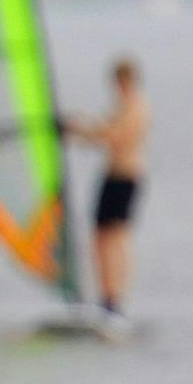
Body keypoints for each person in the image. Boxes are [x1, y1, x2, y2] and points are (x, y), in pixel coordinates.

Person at [65, 57, 150, 317]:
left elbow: (114, 137)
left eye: (121, 82)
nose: (118, 87)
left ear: (129, 81)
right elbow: (103, 130)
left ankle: (116, 298)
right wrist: (76, 129)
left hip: (125, 178)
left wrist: (81, 132)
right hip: (112, 177)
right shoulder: (122, 106)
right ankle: (105, 295)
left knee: (116, 237)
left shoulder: (137, 107)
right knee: (99, 238)